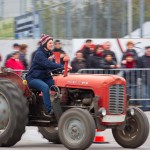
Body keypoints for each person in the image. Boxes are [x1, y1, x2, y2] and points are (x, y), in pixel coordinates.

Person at [26, 34, 65, 116]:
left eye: (52, 43)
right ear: (44, 43)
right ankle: (48, 110)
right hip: (33, 78)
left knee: (57, 85)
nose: (52, 44)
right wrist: (63, 66)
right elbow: (48, 64)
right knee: (45, 87)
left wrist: (63, 70)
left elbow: (54, 66)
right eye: (50, 43)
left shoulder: (50, 53)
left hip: (44, 77)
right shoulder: (39, 54)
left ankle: (61, 106)